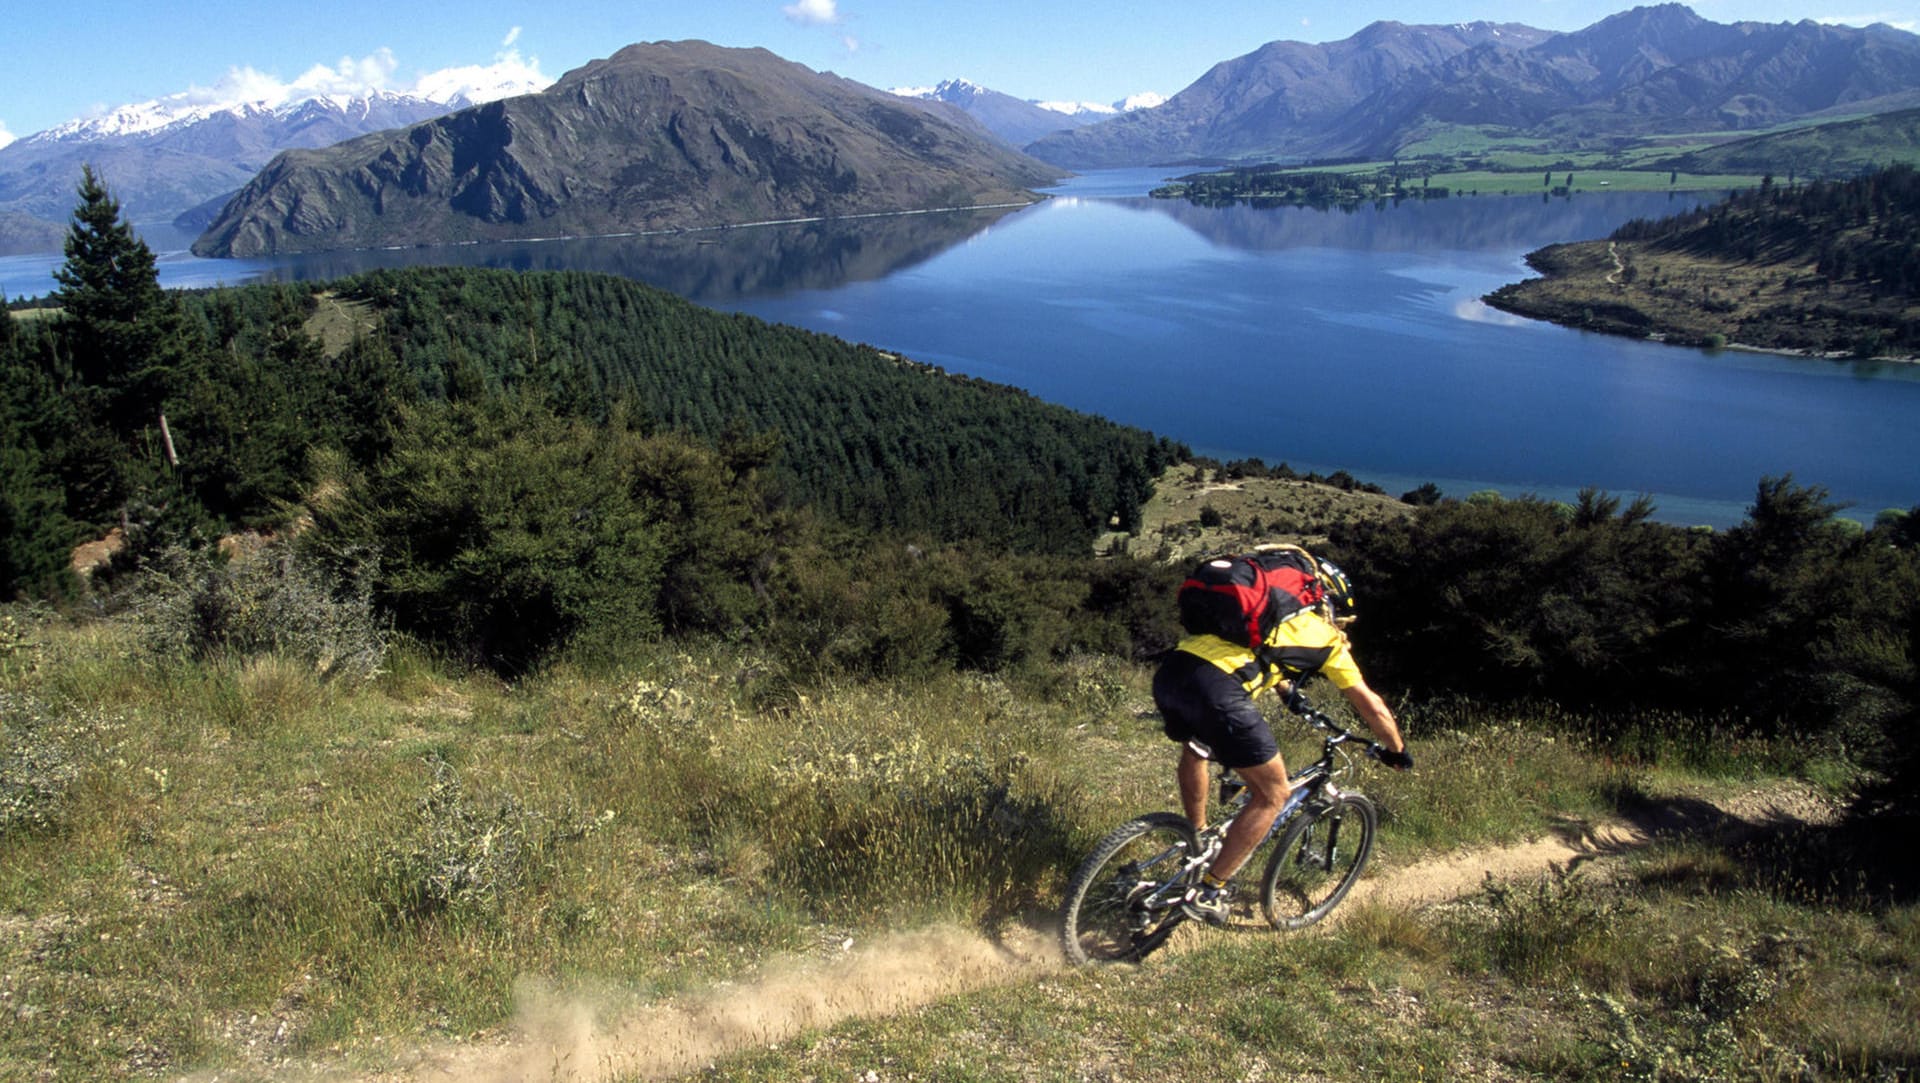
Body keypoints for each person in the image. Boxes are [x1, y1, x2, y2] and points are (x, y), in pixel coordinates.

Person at [1151, 550, 1412, 924]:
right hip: (1219, 691)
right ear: (1327, 603)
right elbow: (1372, 707)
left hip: (1173, 673)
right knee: (1274, 794)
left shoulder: (1261, 618)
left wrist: (1287, 691)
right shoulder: (1326, 639)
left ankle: (1196, 836)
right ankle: (1211, 890)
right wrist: (1397, 750)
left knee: (1197, 748)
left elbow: (1266, 656)